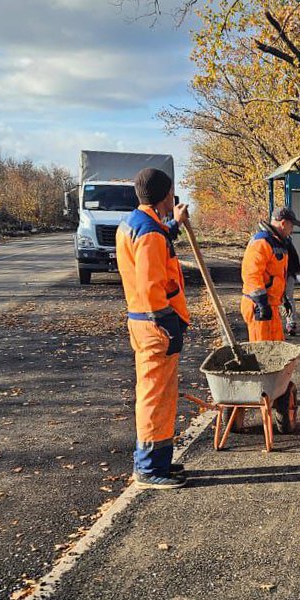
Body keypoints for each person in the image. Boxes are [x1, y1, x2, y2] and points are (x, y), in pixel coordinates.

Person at [116, 168, 190, 490]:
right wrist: (167, 323)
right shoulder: (148, 233)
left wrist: (175, 223)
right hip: (154, 324)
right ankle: (147, 468)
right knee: (153, 396)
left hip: (147, 322)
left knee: (160, 396)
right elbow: (150, 288)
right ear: (165, 195)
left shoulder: (137, 224)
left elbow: (159, 241)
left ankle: (158, 461)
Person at [240, 205, 300, 342]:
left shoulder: (278, 242)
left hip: (270, 305)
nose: (291, 231)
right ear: (283, 223)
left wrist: (283, 298)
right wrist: (261, 303)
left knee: (276, 350)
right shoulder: (262, 242)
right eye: (291, 226)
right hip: (258, 306)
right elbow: (252, 274)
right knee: (262, 352)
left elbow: (277, 275)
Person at [282, 236, 300, 336]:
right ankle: (291, 322)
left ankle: (291, 322)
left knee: (288, 298)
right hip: (284, 274)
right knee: (288, 298)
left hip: (287, 274)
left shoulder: (286, 243)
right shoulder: (286, 243)